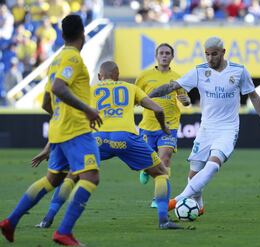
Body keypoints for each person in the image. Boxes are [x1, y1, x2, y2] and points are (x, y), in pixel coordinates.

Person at [33, 61, 183, 230]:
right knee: (161, 172)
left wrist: (47, 150)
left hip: (98, 139)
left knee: (72, 175)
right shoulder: (130, 87)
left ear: (99, 76)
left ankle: (47, 219)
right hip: (126, 138)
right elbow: (158, 110)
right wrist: (164, 127)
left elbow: (64, 120)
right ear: (117, 75)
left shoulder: (89, 90)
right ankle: (163, 220)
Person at [0, 14, 103, 246]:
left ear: (63, 35)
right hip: (75, 129)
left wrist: (60, 117)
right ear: (83, 34)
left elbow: (46, 101)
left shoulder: (56, 60)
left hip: (59, 129)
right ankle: (64, 231)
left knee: (53, 179)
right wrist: (86, 109)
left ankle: (11, 221)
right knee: (91, 176)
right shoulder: (73, 59)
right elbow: (58, 88)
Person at [148, 36, 260, 215]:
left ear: (223, 52)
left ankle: (177, 200)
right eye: (207, 55)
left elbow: (254, 97)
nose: (210, 59)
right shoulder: (199, 71)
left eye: (214, 54)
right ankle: (199, 205)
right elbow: (173, 86)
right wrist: (147, 97)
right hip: (206, 129)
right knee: (194, 173)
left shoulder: (238, 71)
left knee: (212, 165)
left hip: (227, 129)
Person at [135, 43, 191, 208]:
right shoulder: (144, 76)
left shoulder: (178, 78)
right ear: (156, 56)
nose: (164, 55)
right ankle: (145, 168)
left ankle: (159, 198)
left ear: (172, 57)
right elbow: (135, 97)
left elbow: (185, 100)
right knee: (150, 161)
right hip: (148, 125)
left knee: (165, 158)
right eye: (162, 53)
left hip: (169, 126)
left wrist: (186, 101)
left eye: (168, 53)